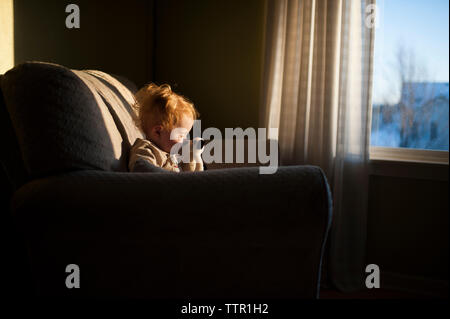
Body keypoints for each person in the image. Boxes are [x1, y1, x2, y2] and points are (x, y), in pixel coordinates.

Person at [129, 83, 203, 173]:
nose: (185, 140)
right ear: (158, 132)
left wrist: (194, 155)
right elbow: (141, 168)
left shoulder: (173, 155)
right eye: (181, 135)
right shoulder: (147, 149)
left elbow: (190, 174)